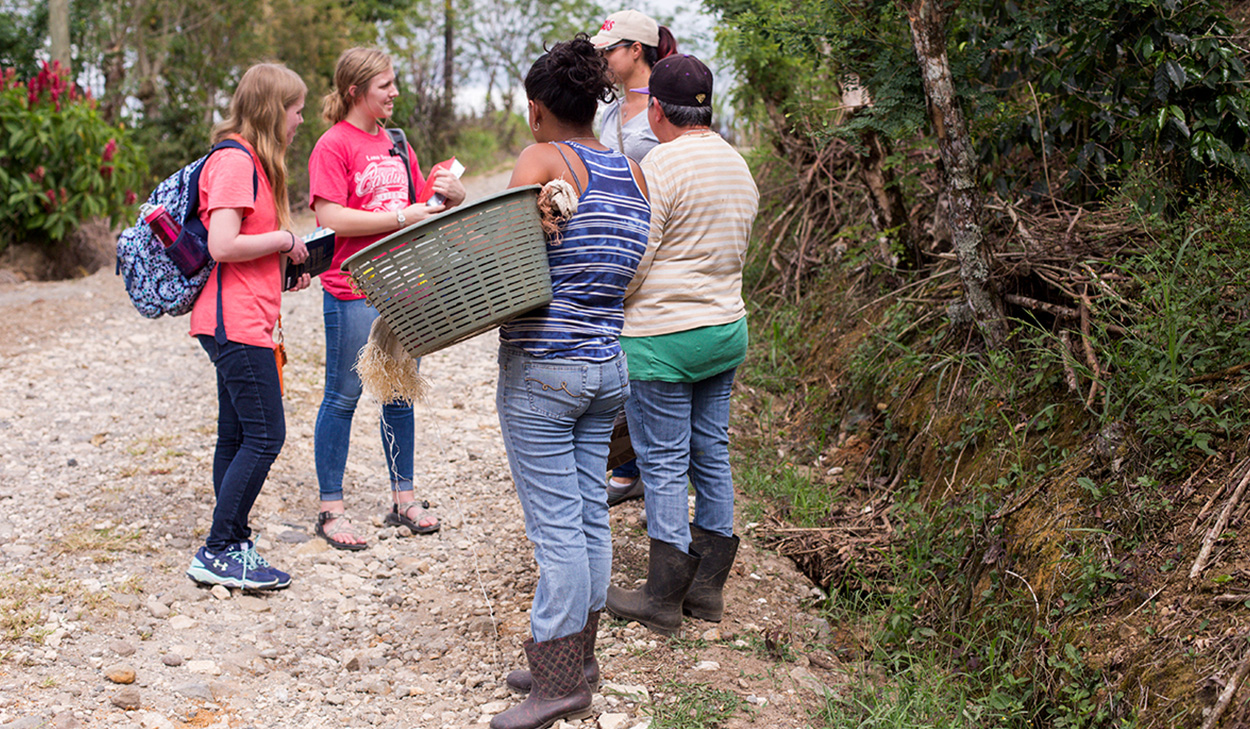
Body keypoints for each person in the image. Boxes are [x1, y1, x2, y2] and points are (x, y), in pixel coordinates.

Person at [491, 35, 650, 729]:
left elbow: (504, 260)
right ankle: (575, 660)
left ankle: (558, 686)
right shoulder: (631, 174)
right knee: (588, 513)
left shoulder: (541, 158)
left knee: (556, 528)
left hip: (544, 369)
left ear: (536, 109)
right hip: (606, 368)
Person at [604, 55, 760, 636]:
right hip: (725, 330)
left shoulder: (657, 164)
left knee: (664, 461)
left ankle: (663, 598)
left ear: (656, 110)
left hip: (665, 338)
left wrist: (620, 301)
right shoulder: (737, 163)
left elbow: (638, 256)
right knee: (711, 453)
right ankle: (708, 591)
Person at [307, 46, 466, 550]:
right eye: (385, 86)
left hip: (404, 288)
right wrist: (403, 217)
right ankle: (331, 510)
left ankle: (404, 499)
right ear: (356, 92)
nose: (395, 92)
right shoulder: (332, 145)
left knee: (399, 391)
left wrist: (450, 198)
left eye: (394, 83)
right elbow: (331, 218)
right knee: (344, 396)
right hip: (351, 289)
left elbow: (425, 206)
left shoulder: (397, 143)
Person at [185, 63, 311, 590]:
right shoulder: (236, 161)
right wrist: (283, 240)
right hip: (233, 322)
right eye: (296, 109)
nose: (300, 120)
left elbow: (242, 250)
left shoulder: (254, 163)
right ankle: (219, 547)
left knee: (236, 435)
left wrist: (286, 267)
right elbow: (222, 245)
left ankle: (232, 542)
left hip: (243, 316)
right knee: (266, 435)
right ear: (272, 109)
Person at [588, 9, 677, 508]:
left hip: (655, 244)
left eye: (610, 49)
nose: (602, 58)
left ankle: (648, 463)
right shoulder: (607, 112)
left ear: (636, 51)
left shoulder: (663, 109)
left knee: (645, 356)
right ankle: (628, 462)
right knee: (617, 353)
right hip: (613, 245)